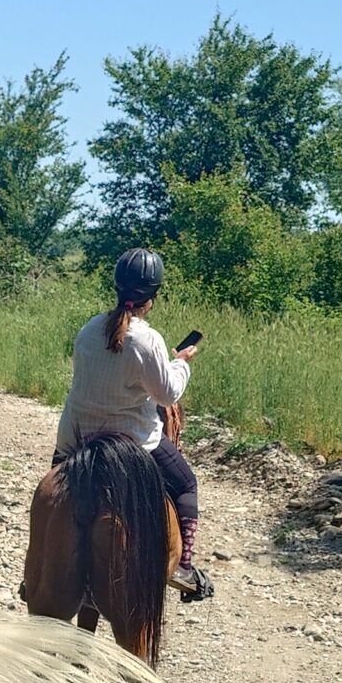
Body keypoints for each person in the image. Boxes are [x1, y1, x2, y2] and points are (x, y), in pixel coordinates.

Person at [54, 248, 212, 600]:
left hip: (75, 437)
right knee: (186, 484)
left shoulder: (88, 329)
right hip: (130, 443)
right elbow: (168, 395)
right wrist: (182, 362)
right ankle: (184, 566)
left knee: (53, 500)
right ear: (151, 298)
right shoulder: (147, 339)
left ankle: (39, 572)